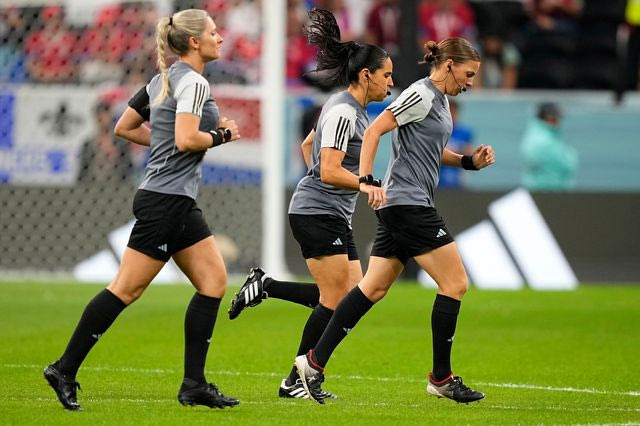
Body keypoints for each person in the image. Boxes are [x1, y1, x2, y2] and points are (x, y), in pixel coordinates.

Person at [43, 9, 241, 410]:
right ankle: (64, 368)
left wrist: (167, 141)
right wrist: (221, 135)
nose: (220, 38)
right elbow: (186, 139)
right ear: (194, 43)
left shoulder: (161, 80)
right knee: (125, 289)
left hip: (175, 200)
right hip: (166, 202)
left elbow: (125, 126)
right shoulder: (196, 83)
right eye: (214, 33)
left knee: (213, 282)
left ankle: (194, 385)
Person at [294, 37, 495, 404]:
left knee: (372, 288)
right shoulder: (421, 94)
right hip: (408, 204)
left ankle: (312, 364)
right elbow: (375, 129)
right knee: (455, 283)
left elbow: (431, 151)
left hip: (402, 203)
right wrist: (367, 178)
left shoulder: (440, 100)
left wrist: (468, 162)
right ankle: (441, 378)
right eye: (468, 74)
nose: (469, 83)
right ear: (448, 65)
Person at [227, 8, 393, 402]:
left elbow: (309, 149)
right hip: (317, 213)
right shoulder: (342, 112)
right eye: (386, 74)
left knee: (348, 294)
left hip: (325, 210)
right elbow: (330, 169)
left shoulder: (344, 107)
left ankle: (265, 286)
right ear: (366, 75)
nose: (391, 82)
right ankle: (296, 379)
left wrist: (323, 186)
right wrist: (362, 183)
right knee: (336, 301)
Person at [521, 102, 578, 191]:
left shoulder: (536, 135)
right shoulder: (545, 141)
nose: (560, 121)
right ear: (550, 118)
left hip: (538, 191)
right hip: (548, 192)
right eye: (557, 117)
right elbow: (566, 165)